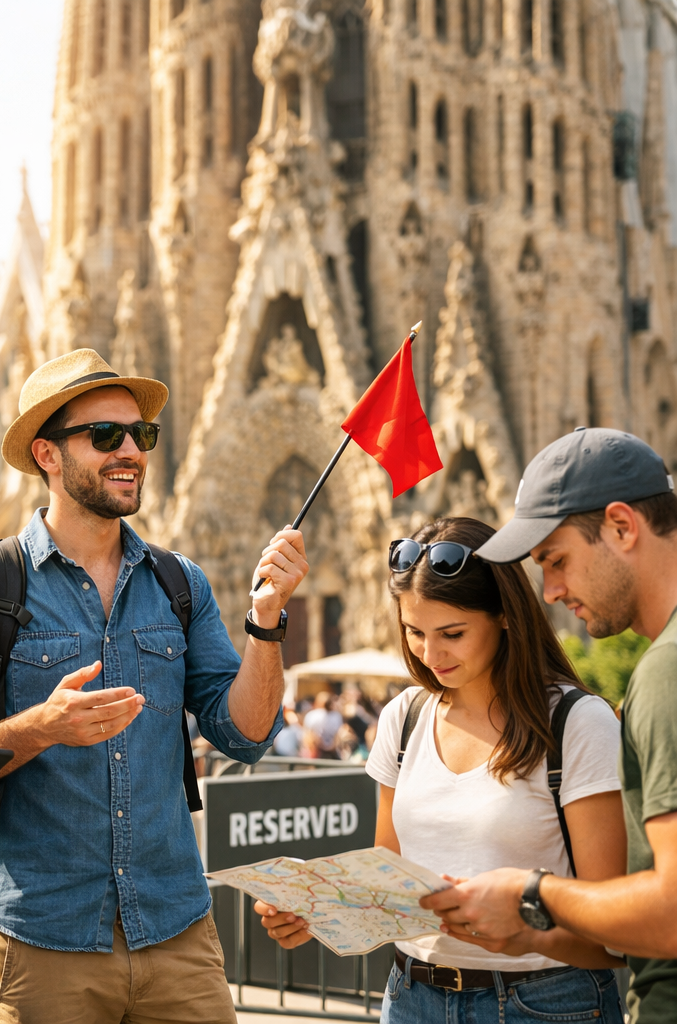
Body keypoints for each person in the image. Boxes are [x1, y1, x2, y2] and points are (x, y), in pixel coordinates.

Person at [0, 348, 309, 1024]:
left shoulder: (178, 583)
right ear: (47, 454)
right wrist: (43, 727)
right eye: (106, 435)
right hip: (43, 937)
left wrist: (266, 621)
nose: (130, 450)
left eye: (141, 435)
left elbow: (244, 735)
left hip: (176, 927)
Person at [255, 515, 627, 1023]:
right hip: (412, 995)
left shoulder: (576, 722)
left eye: (452, 633)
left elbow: (614, 932)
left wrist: (521, 930)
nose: (430, 654)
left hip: (543, 1002)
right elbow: (387, 877)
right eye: (413, 632)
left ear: (504, 614)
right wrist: (316, 907)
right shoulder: (403, 717)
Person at [420, 428, 677, 1024]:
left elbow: (669, 912)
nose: (553, 592)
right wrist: (531, 935)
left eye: (556, 561)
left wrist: (529, 896)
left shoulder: (665, 673)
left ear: (621, 526)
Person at [302, 690, 343, 758]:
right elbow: (339, 735)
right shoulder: (337, 716)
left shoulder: (311, 715)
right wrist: (331, 747)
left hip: (315, 752)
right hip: (331, 752)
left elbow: (307, 735)